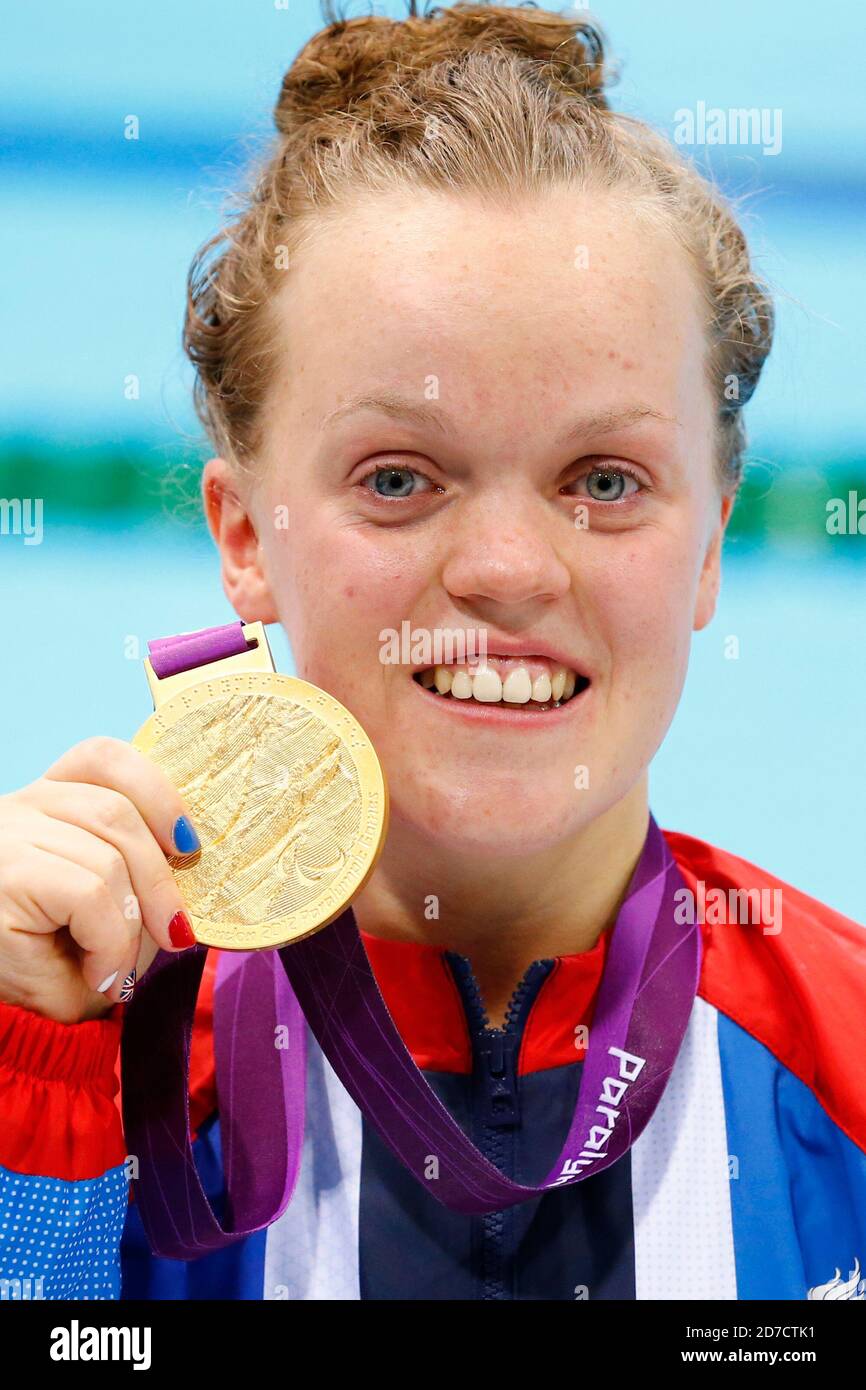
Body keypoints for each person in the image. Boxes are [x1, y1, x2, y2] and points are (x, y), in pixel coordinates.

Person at [1, 0, 865, 1303]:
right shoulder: (76, 1073)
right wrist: (25, 1084)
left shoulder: (841, 1065)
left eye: (606, 478)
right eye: (399, 476)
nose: (509, 568)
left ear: (709, 544)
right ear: (244, 537)